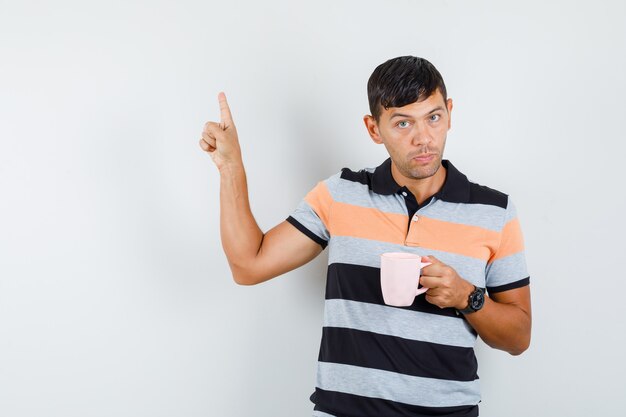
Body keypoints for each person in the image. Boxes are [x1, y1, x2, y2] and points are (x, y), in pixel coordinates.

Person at [199, 56, 531, 417]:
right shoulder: (342, 193)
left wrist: (467, 296)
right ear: (374, 129)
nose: (423, 138)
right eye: (403, 123)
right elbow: (249, 265)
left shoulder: (494, 211)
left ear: (449, 114)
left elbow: (518, 338)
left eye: (433, 118)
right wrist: (232, 167)